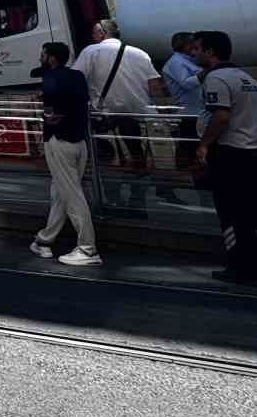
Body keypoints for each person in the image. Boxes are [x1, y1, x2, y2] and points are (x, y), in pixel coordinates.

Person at [194, 30, 257, 287]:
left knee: (231, 212)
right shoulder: (247, 78)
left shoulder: (216, 79)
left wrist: (205, 144)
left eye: (198, 49)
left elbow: (221, 116)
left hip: (228, 154)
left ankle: (242, 267)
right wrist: (246, 127)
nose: (195, 53)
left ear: (211, 51)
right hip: (253, 151)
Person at [71, 19, 162, 214]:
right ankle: (138, 205)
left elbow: (75, 80)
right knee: (139, 163)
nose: (93, 36)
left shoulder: (91, 52)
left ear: (102, 33)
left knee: (108, 164)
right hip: (139, 120)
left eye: (95, 33)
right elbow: (155, 85)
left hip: (107, 121)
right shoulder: (140, 53)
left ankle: (113, 205)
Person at [30, 42, 101, 266]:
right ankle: (44, 240)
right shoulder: (78, 75)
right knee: (61, 193)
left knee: (72, 195)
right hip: (80, 142)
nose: (40, 57)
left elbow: (51, 112)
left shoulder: (50, 77)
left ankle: (88, 249)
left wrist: (47, 112)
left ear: (51, 58)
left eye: (42, 54)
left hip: (58, 141)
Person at [160, 31, 206, 203]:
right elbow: (186, 83)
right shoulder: (176, 62)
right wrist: (207, 71)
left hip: (199, 114)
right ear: (185, 45)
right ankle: (167, 187)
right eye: (192, 44)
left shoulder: (190, 61)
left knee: (194, 155)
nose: (195, 48)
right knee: (191, 156)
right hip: (190, 116)